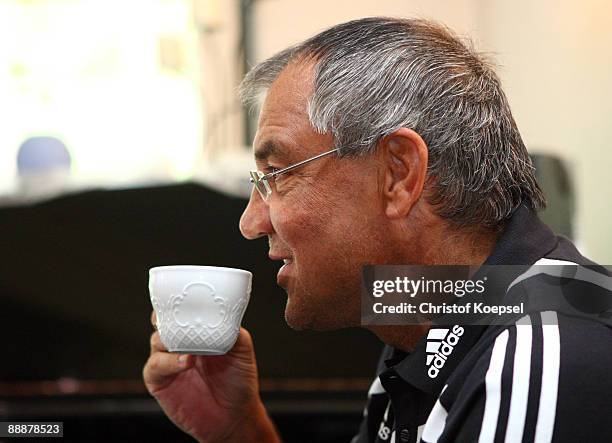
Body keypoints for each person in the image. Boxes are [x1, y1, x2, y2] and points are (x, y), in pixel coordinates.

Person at [143, 18, 612, 442]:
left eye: (280, 173)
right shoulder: (422, 318)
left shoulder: (537, 359)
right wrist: (238, 431)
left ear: (399, 174)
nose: (251, 222)